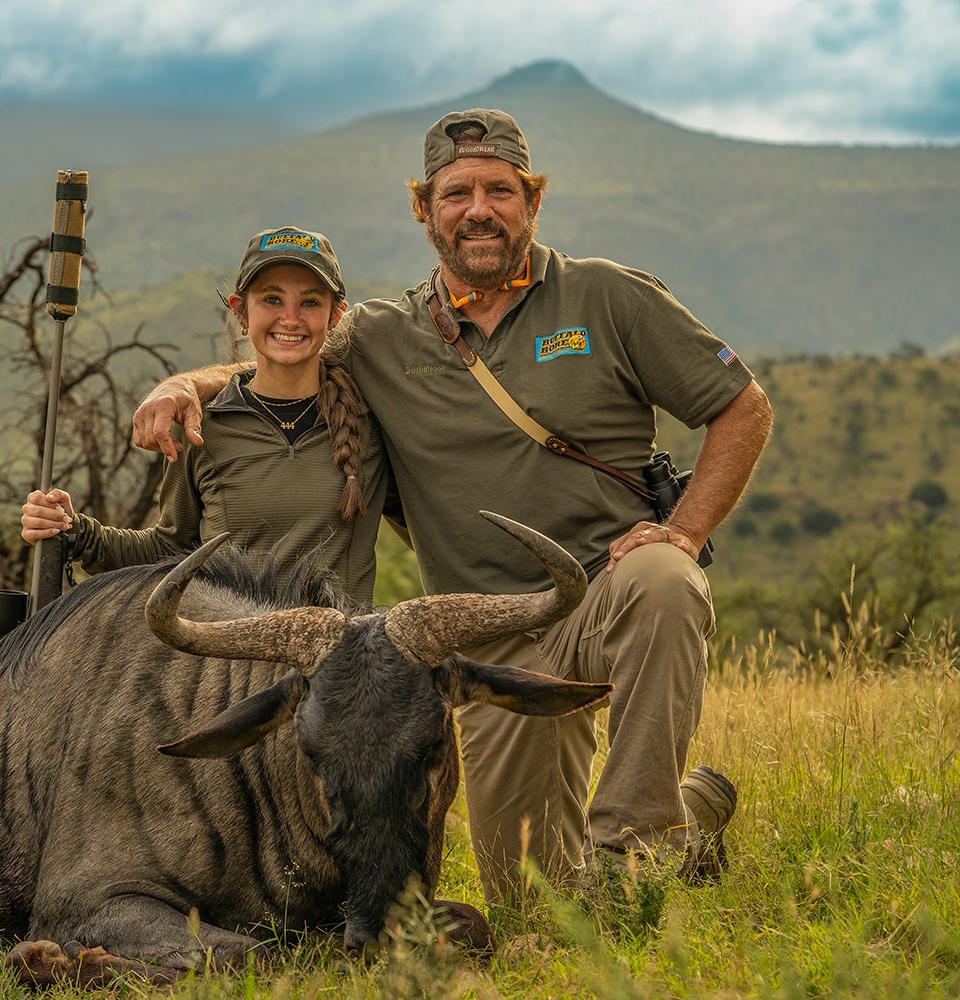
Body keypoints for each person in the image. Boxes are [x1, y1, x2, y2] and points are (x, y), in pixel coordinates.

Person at [130, 109, 774, 902]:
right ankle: (695, 815)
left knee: (668, 582)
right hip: (489, 643)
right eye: (457, 192)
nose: (479, 208)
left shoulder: (607, 297)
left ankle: (632, 846)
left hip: (608, 588)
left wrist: (682, 530)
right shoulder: (379, 336)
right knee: (527, 898)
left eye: (500, 189)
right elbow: (281, 356)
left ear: (531, 201)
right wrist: (178, 386)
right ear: (425, 212)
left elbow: (744, 407)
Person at [20, 225, 394, 605]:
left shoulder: (371, 420)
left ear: (336, 315)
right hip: (229, 661)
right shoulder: (202, 428)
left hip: (338, 660)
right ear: (240, 312)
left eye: (311, 302)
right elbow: (168, 551)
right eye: (271, 299)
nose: (291, 318)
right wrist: (76, 532)